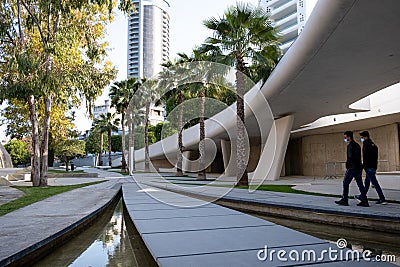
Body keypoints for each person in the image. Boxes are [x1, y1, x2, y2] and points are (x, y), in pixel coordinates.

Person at [335, 131, 369, 207]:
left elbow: (350, 157)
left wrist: (347, 166)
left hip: (352, 168)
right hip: (358, 167)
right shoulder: (357, 145)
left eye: (345, 137)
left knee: (345, 183)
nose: (345, 139)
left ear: (349, 137)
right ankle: (365, 200)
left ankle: (345, 199)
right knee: (360, 184)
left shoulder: (350, 146)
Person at [355, 131, 387, 205]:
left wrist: (363, 166)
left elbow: (367, 157)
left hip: (369, 167)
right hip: (373, 166)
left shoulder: (366, 145)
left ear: (366, 137)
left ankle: (382, 198)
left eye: (362, 137)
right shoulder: (373, 145)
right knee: (367, 182)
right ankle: (362, 196)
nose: (361, 139)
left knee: (374, 183)